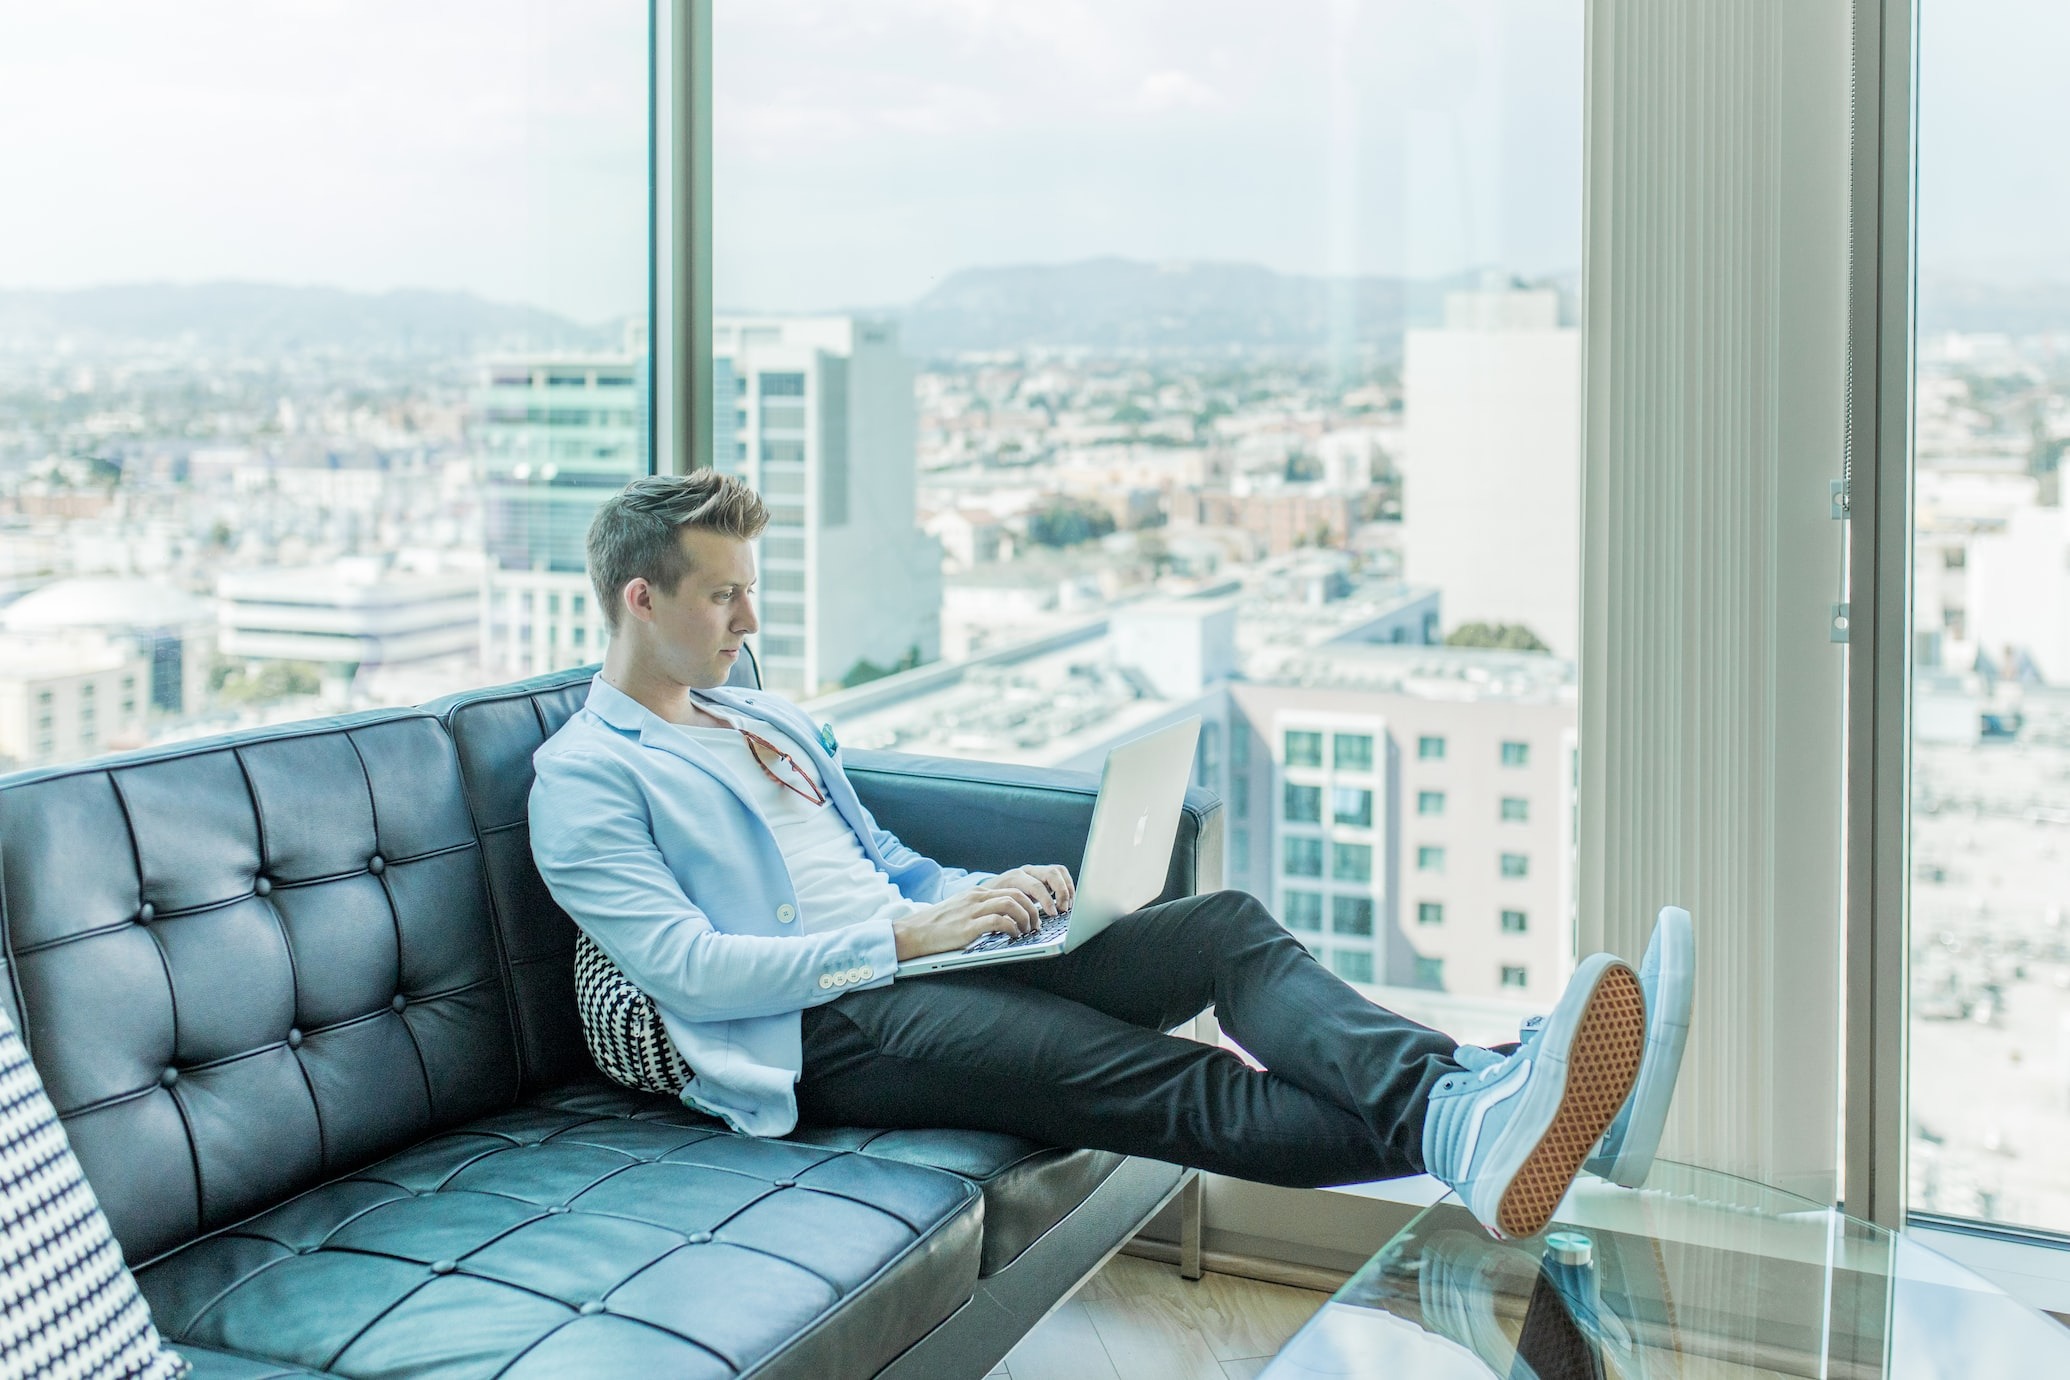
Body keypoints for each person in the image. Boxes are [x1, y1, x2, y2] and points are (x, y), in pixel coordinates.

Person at [529, 473, 1694, 1240]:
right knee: (1159, 1079)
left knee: (1225, 929)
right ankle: (1499, 1106)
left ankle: (1485, 1107)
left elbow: (875, 850)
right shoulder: (586, 776)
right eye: (723, 595)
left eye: (749, 592)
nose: (746, 620)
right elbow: (688, 969)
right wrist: (902, 936)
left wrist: (977, 899)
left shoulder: (761, 716)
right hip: (825, 1028)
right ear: (641, 598)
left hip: (929, 959)